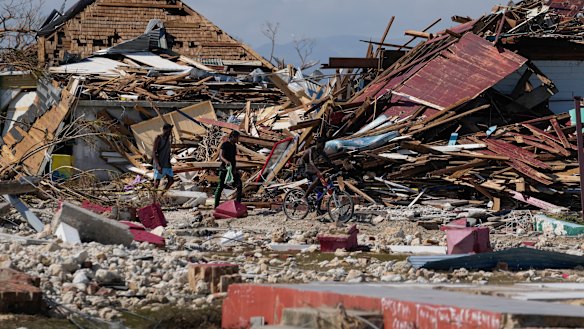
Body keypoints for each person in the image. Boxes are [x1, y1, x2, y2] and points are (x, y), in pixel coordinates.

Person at [214, 130, 243, 208]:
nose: (238, 140)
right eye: (237, 138)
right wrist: (226, 162)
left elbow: (233, 159)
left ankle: (237, 205)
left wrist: (234, 169)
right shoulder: (225, 145)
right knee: (220, 187)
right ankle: (215, 206)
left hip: (232, 170)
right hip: (224, 169)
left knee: (239, 185)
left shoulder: (234, 146)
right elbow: (221, 156)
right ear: (232, 137)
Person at [152, 123, 175, 191]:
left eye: (170, 131)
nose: (169, 133)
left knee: (171, 180)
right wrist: (158, 165)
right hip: (160, 163)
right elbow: (154, 152)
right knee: (157, 182)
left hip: (167, 163)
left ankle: (162, 194)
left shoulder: (168, 139)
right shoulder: (159, 138)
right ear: (164, 130)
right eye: (168, 131)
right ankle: (154, 198)